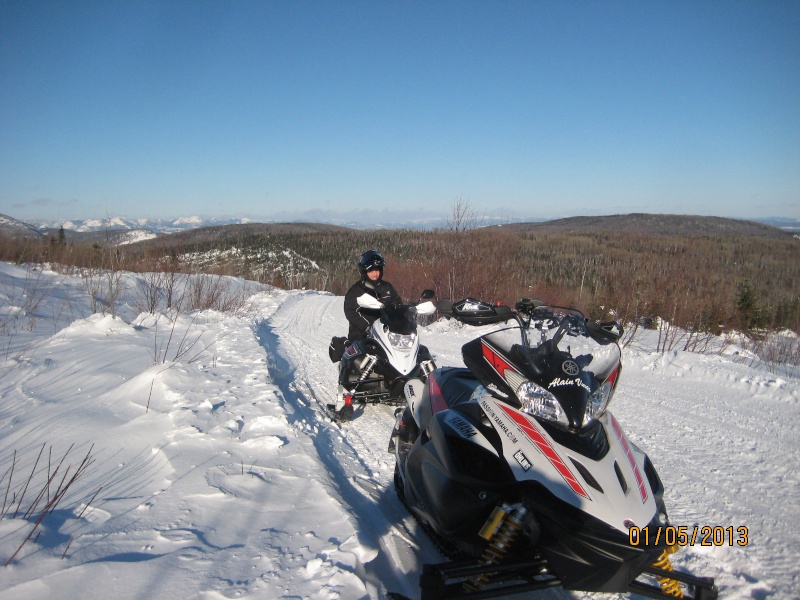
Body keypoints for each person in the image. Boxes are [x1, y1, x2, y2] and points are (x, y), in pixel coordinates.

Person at [344, 249, 402, 341]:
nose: (376, 274)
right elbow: (350, 312)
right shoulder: (356, 291)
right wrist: (367, 326)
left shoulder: (387, 287)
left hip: (387, 334)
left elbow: (398, 304)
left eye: (378, 270)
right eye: (371, 270)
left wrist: (407, 312)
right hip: (362, 334)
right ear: (364, 271)